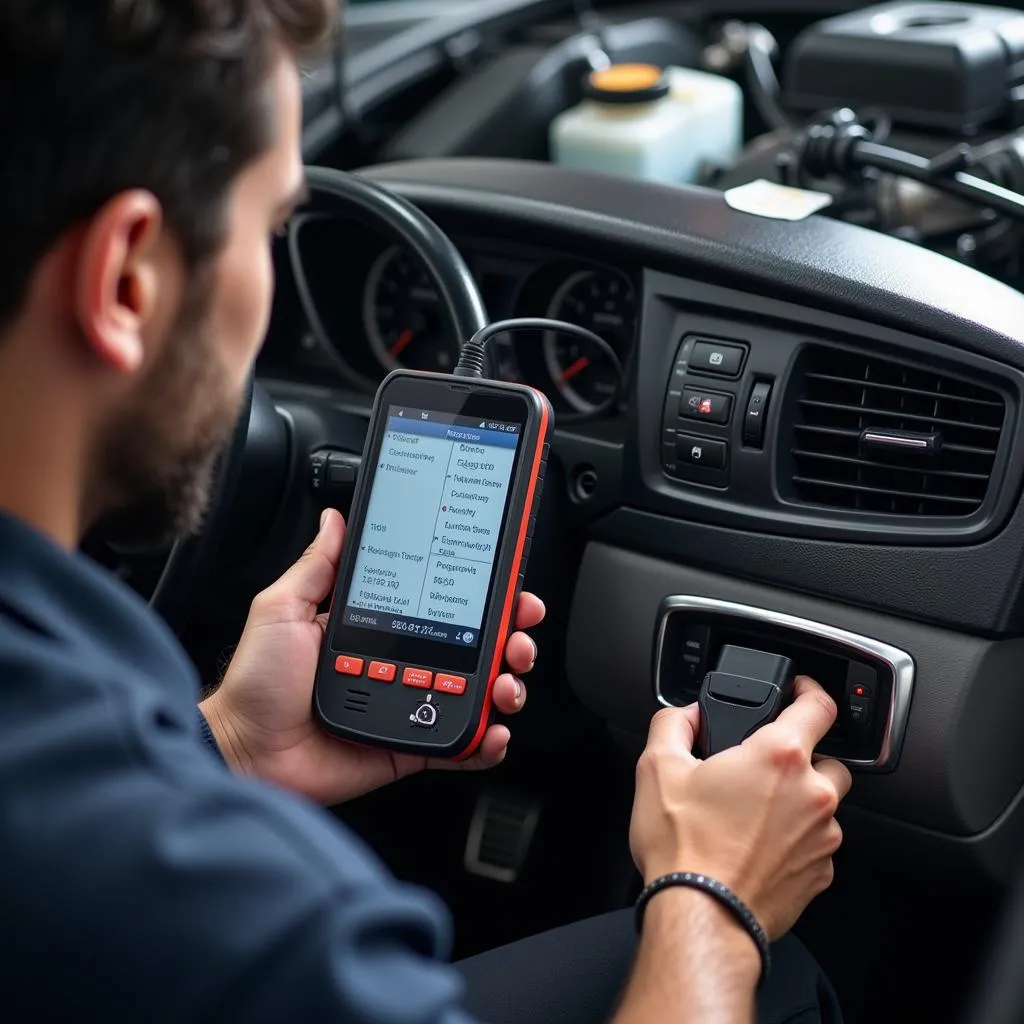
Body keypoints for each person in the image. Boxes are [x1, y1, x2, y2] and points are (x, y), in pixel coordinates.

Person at [0, 2, 851, 1022]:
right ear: (127, 280)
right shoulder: (250, 918)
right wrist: (714, 894)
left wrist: (225, 744)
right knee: (782, 981)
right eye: (269, 230)